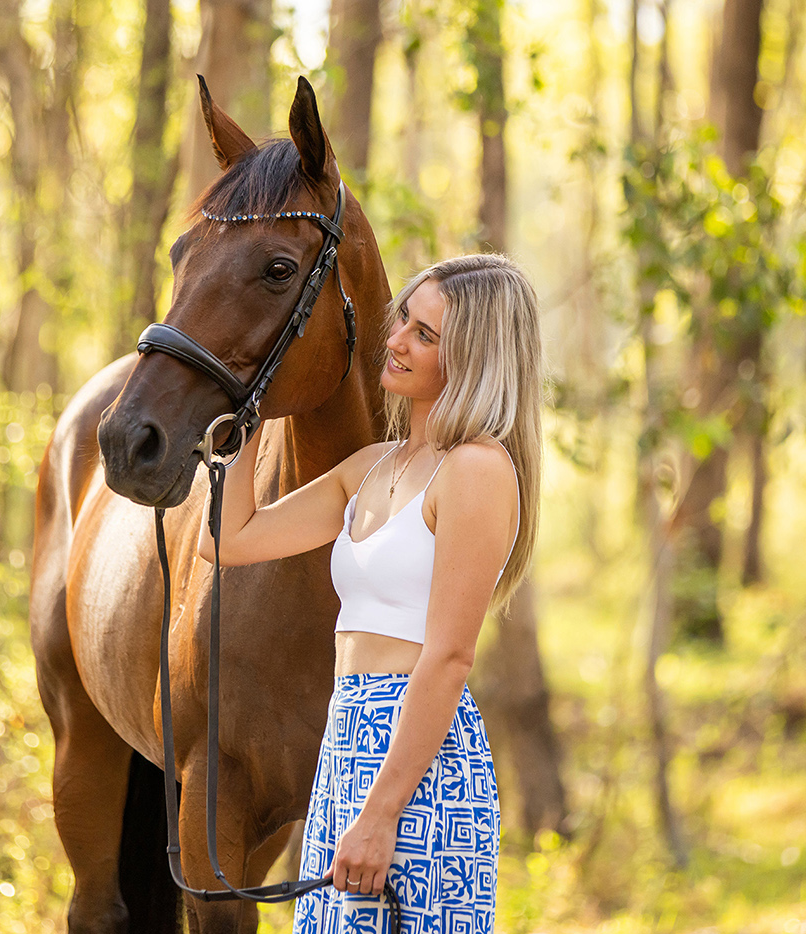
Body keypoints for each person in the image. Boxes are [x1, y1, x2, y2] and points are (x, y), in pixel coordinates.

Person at [197, 253, 544, 934]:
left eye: (425, 335)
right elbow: (227, 537)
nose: (395, 340)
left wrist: (381, 813)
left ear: (474, 359)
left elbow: (446, 658)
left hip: (419, 764)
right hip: (346, 739)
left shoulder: (476, 472)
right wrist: (252, 398)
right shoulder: (373, 467)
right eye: (402, 321)